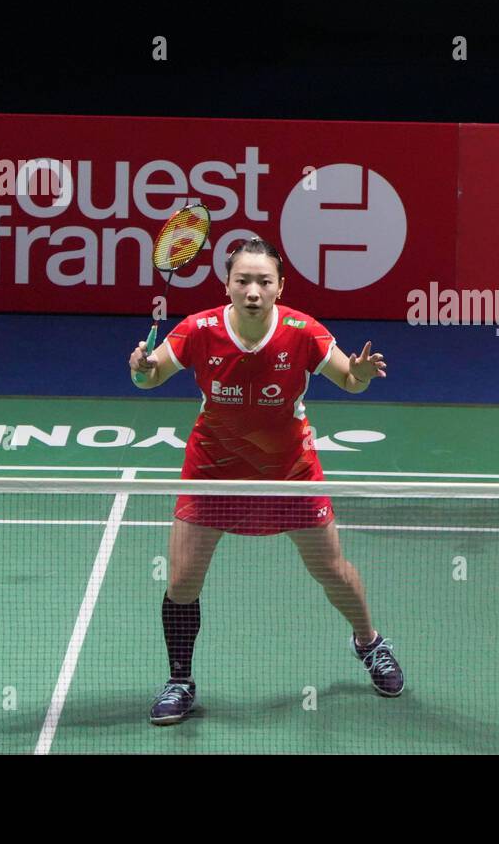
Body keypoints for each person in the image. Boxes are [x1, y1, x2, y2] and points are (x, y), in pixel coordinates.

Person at [128, 237, 404, 724]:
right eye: (243, 280)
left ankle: (369, 642)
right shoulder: (199, 329)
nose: (253, 290)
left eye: (263, 281)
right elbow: (150, 378)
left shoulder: (303, 331)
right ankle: (179, 680)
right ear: (227, 285)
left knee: (331, 570)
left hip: (288, 471)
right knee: (182, 581)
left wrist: (359, 373)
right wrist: (141, 369)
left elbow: (348, 379)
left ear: (280, 287)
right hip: (214, 469)